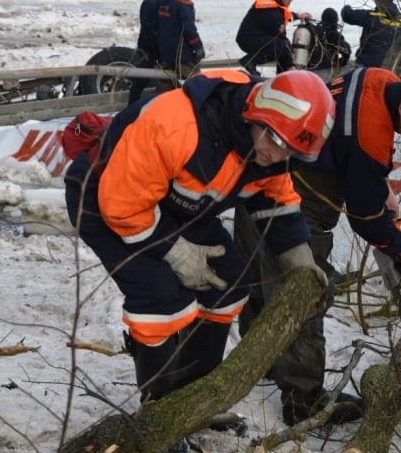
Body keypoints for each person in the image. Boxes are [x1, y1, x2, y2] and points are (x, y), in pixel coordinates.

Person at [64, 68, 335, 407]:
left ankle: (195, 396)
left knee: (229, 281)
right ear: (255, 114)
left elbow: (277, 203)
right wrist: (176, 253)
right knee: (160, 296)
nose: (277, 156)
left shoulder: (269, 155)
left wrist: (301, 263)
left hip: (176, 206)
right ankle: (160, 405)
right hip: (106, 199)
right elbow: (121, 205)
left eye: (291, 152)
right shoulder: (177, 126)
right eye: (277, 142)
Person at [235, 65, 401, 425]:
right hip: (292, 200)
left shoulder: (379, 78)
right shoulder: (370, 135)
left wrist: (378, 183)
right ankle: (303, 401)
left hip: (258, 178)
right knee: (307, 293)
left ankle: (259, 362)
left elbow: (351, 144)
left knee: (261, 279)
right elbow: (364, 217)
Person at [236, 0, 312, 75]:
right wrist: (290, 64)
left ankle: (284, 73)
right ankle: (250, 61)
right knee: (282, 45)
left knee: (283, 46)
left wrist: (298, 16)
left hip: (256, 37)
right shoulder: (270, 12)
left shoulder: (274, 3)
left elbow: (284, 15)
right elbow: (281, 37)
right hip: (248, 40)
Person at [157, 0, 205, 83]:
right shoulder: (182, 2)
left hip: (164, 52)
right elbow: (189, 29)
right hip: (181, 54)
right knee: (196, 82)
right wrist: (198, 47)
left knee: (167, 85)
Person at [128, 0, 172, 105]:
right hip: (148, 48)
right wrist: (158, 49)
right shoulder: (151, 4)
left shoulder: (153, 1)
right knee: (142, 79)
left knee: (145, 78)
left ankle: (134, 105)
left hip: (150, 47)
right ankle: (132, 105)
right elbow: (149, 30)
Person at [341, 0, 401, 67]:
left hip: (367, 62)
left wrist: (347, 7)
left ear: (379, 2)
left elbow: (347, 15)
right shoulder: (400, 21)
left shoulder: (371, 16)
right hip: (389, 64)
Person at [308, 7, 351, 73]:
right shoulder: (334, 34)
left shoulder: (314, 31)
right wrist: (340, 63)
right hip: (327, 70)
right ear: (335, 20)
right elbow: (347, 52)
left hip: (310, 69)